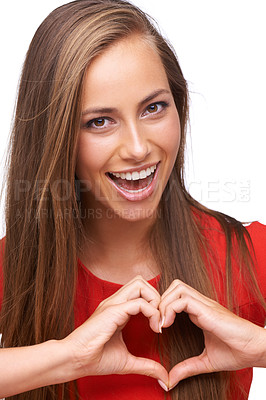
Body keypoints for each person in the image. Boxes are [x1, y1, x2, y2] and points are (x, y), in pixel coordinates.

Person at [0, 0, 265, 399]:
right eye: (99, 121)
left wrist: (260, 347)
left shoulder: (245, 254)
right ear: (54, 139)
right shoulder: (14, 266)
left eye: (153, 108)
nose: (139, 148)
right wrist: (66, 357)